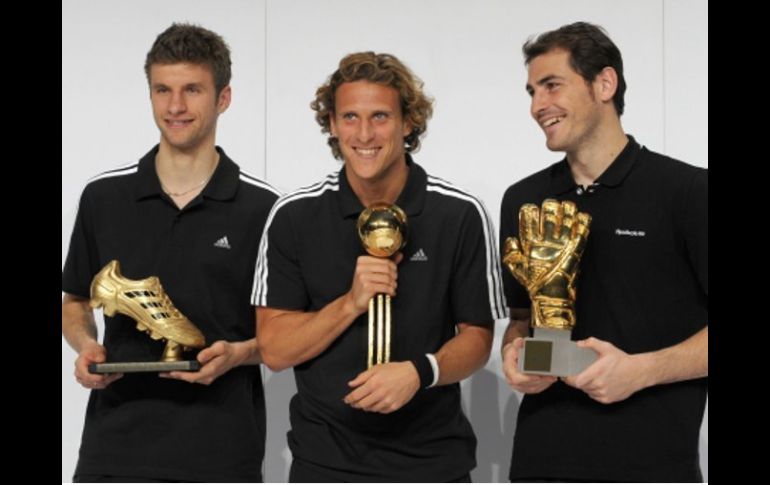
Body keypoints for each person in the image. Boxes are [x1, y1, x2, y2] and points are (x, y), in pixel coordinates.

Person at [253, 51, 506, 482]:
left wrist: (420, 372)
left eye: (381, 117)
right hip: (324, 464)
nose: (364, 133)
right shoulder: (294, 216)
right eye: (350, 117)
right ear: (331, 124)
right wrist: (350, 303)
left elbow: (478, 339)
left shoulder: (459, 214)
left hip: (432, 464)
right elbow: (275, 349)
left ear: (408, 122)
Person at [61, 23, 279, 482]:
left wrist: (240, 353)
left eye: (192, 90)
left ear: (223, 98)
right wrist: (86, 347)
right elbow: (76, 300)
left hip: (222, 451)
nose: (175, 106)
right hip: (112, 451)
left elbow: (290, 334)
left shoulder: (265, 209)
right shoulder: (103, 198)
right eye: (162, 89)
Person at [499, 21, 708, 482]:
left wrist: (642, 371)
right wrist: (514, 355)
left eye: (552, 85)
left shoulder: (688, 191)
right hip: (539, 463)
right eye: (532, 91)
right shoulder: (524, 200)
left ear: (604, 84)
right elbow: (520, 318)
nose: (538, 106)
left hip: (653, 467)